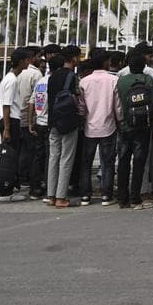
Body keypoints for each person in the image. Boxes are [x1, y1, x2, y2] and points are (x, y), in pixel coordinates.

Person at [115, 51, 153, 209]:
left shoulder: (122, 81)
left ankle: (122, 198)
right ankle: (135, 198)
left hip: (125, 125)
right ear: (144, 66)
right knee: (139, 163)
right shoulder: (148, 80)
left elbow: (118, 103)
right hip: (142, 127)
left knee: (123, 161)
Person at [78, 53, 119, 206]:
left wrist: (82, 119)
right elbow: (118, 105)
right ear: (104, 62)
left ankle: (85, 195)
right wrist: (119, 120)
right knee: (107, 162)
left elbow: (81, 106)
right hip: (108, 125)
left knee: (86, 162)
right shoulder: (113, 80)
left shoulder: (84, 81)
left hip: (89, 126)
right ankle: (106, 195)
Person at [45, 53, 84, 209]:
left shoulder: (50, 78)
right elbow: (78, 98)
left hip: (53, 120)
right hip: (68, 121)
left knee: (53, 157)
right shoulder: (72, 77)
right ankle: (61, 197)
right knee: (66, 158)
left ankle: (51, 195)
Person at [0, 48, 29, 199]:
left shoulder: (10, 78)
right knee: (10, 158)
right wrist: (7, 128)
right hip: (10, 120)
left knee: (7, 156)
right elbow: (6, 105)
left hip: (10, 120)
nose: (29, 62)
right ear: (21, 61)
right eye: (27, 60)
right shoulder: (12, 80)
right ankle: (5, 192)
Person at [20, 47, 48, 199]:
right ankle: (40, 185)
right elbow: (34, 100)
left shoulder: (18, 73)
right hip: (40, 120)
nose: (41, 59)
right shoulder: (37, 75)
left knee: (29, 153)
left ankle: (28, 182)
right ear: (32, 58)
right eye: (39, 56)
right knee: (40, 154)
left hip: (21, 116)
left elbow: (32, 100)